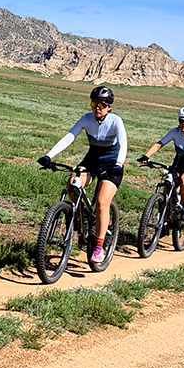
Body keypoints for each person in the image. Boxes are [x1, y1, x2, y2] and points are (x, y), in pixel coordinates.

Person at [37, 86, 126, 264]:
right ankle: (82, 217)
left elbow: (123, 144)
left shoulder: (116, 121)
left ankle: (99, 247)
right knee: (73, 183)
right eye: (94, 103)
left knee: (102, 204)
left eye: (102, 104)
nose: (97, 108)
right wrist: (49, 155)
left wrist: (119, 164)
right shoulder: (87, 119)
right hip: (92, 161)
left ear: (109, 107)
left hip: (112, 165)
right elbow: (69, 136)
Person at [139, 106, 184, 222]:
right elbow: (159, 144)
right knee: (167, 185)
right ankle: (164, 219)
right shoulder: (175, 132)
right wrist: (146, 156)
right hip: (178, 164)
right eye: (181, 121)